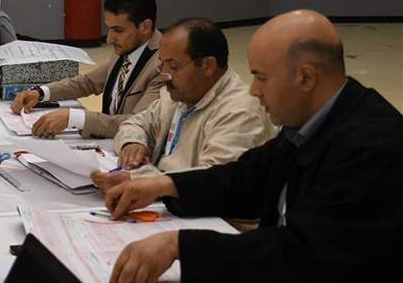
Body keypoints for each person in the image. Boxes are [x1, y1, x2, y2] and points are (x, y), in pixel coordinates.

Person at [102, 10, 403, 283]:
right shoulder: (309, 120)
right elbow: (245, 179)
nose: (253, 90)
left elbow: (302, 252)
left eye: (261, 77)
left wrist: (181, 245)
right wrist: (163, 186)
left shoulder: (373, 144)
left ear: (306, 77)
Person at [91, 17, 275, 231]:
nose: (164, 75)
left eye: (173, 66)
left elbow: (211, 184)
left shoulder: (240, 110)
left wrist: (140, 178)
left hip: (220, 227)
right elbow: (136, 123)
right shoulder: (180, 94)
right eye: (162, 64)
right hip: (170, 210)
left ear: (207, 65)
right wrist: (134, 142)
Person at [11, 0, 165, 139]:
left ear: (145, 27)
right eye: (109, 28)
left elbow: (138, 123)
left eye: (118, 30)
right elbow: (88, 82)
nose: (109, 39)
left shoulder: (164, 64)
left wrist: (74, 118)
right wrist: (40, 92)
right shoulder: (129, 46)